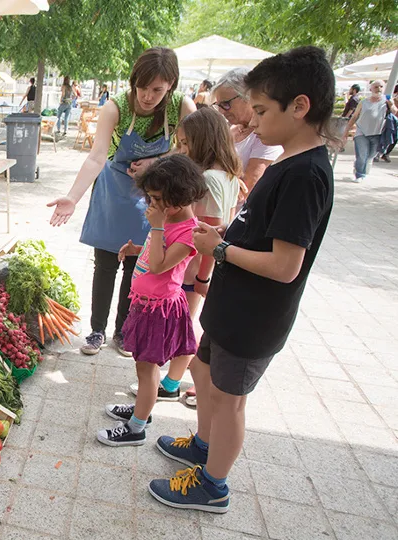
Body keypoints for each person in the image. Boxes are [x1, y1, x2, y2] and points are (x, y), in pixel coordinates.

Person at [148, 45, 335, 514]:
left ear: (300, 106)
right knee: (202, 372)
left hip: (256, 316)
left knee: (230, 400)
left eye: (261, 109)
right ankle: (203, 447)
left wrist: (221, 249)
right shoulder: (286, 163)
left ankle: (214, 486)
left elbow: (285, 265)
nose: (251, 119)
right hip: (233, 306)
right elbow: (263, 231)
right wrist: (227, 234)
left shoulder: (307, 174)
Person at [47, 47, 196, 356]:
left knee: (135, 265)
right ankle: (96, 331)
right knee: (104, 264)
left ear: (171, 85)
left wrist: (156, 162)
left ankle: (123, 332)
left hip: (152, 197)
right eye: (142, 87)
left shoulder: (182, 107)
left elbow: (191, 149)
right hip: (113, 190)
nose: (147, 96)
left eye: (157, 89)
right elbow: (97, 155)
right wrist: (73, 198)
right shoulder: (115, 107)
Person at [127, 107, 242, 405]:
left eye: (186, 143)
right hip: (185, 268)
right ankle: (167, 383)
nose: (181, 149)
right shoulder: (226, 175)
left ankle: (171, 383)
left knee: (185, 332)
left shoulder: (210, 180)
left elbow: (210, 232)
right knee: (184, 330)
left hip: (187, 272)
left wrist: (204, 275)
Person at [97, 155, 206, 446]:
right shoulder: (167, 220)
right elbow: (152, 254)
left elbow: (160, 266)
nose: (151, 205)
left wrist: (156, 226)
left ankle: (136, 428)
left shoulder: (188, 233)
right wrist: (136, 250)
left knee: (147, 371)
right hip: (145, 303)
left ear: (178, 199)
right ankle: (142, 411)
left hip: (158, 310)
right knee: (143, 368)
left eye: (157, 199)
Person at [212, 69, 282, 194]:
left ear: (248, 97)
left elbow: (247, 188)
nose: (222, 111)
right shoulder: (233, 129)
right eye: (218, 105)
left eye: (226, 104)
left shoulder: (265, 136)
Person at [345, 80, 397, 182]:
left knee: (370, 156)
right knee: (362, 155)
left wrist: (391, 104)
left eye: (381, 86)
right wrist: (346, 131)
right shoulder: (363, 102)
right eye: (376, 87)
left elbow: (395, 112)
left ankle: (359, 166)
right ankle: (360, 175)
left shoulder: (387, 101)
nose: (379, 89)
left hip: (377, 133)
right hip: (361, 132)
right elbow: (355, 117)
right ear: (371, 89)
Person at [379, 93, 398, 162]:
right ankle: (379, 153)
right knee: (383, 137)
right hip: (386, 121)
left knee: (394, 139)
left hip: (393, 122)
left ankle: (385, 154)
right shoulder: (391, 99)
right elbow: (395, 111)